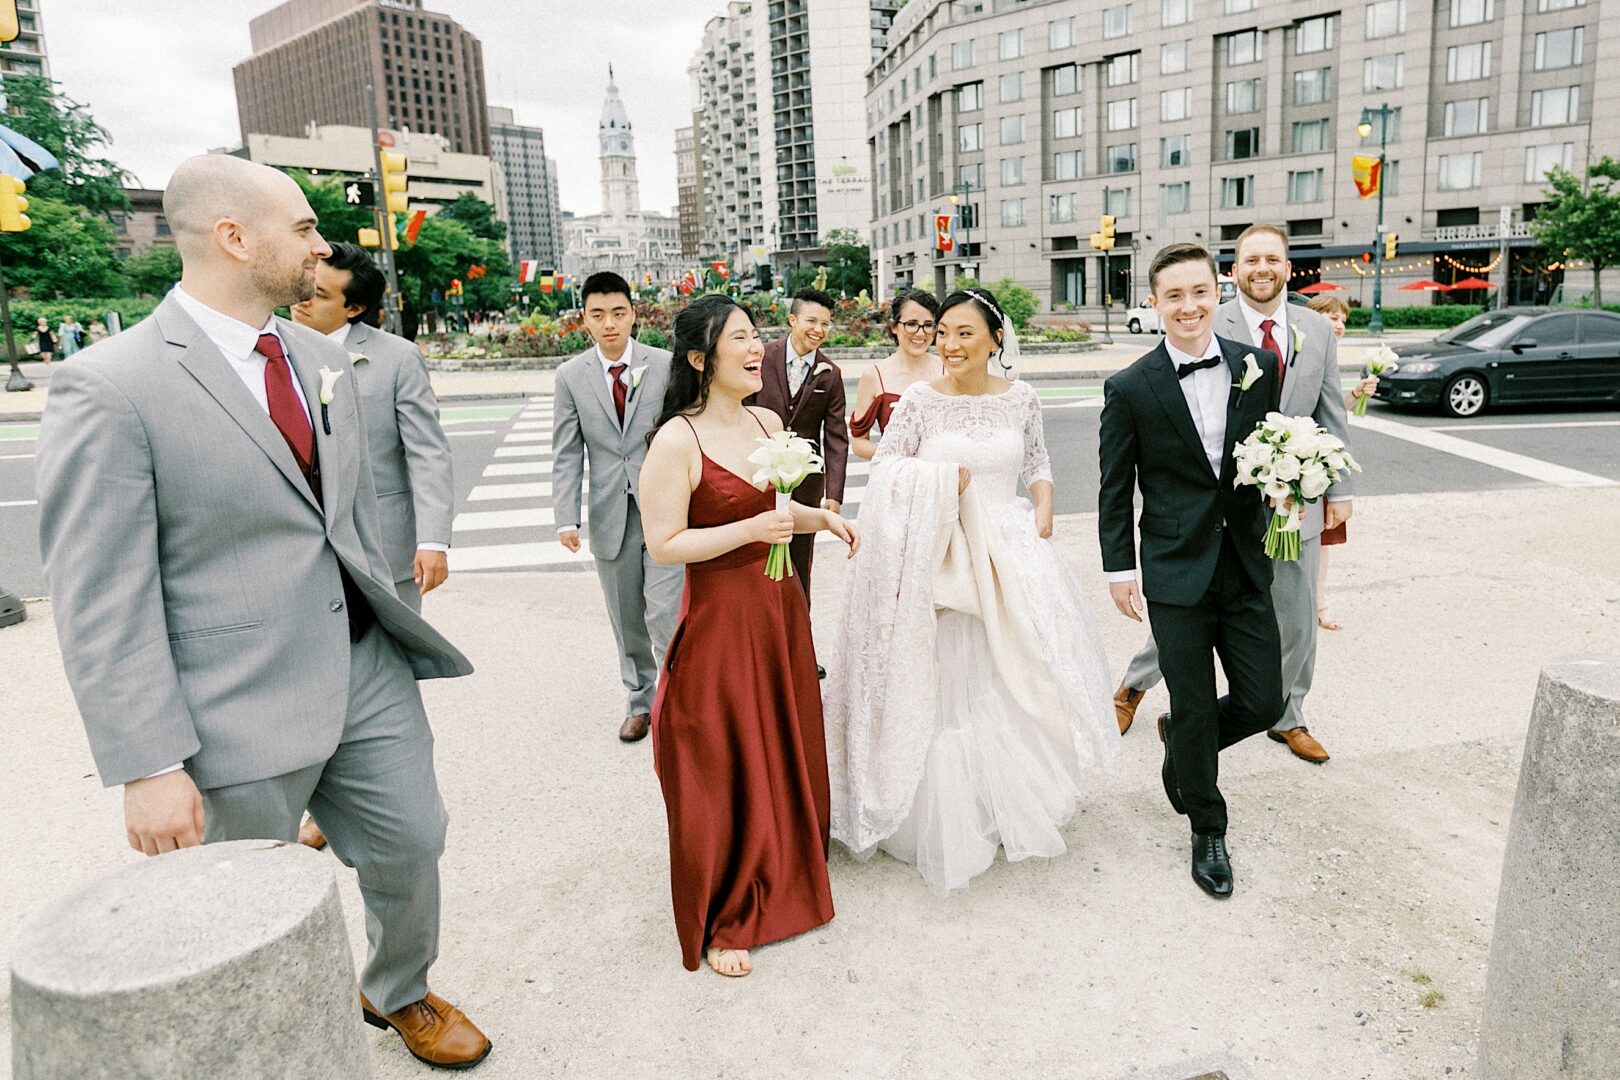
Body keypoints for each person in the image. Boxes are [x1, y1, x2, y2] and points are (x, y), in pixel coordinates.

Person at [34, 154, 491, 1069]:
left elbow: (345, 516)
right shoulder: (110, 384)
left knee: (414, 842)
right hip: (229, 705)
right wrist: (148, 760)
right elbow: (99, 593)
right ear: (235, 238)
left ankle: (395, 988)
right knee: (243, 903)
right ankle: (273, 1041)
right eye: (305, 229)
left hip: (366, 668)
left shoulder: (324, 358)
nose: (323, 247)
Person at [824, 287, 1117, 896]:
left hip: (1009, 550)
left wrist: (1043, 503)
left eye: (963, 333)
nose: (948, 345)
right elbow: (885, 470)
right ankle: (938, 809)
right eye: (943, 333)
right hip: (943, 554)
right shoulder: (920, 403)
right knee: (944, 678)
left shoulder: (1024, 399)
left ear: (995, 339)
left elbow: (1037, 462)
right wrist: (938, 480)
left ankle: (1007, 800)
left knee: (1012, 673)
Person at [639, 294, 858, 977]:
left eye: (756, 334)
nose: (757, 345)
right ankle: (728, 911)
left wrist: (822, 522)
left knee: (781, 737)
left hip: (777, 609)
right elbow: (664, 545)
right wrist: (750, 532)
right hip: (721, 622)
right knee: (725, 757)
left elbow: (779, 506)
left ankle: (786, 871)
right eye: (740, 337)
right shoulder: (677, 439)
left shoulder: (767, 419)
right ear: (702, 358)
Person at [1112, 225, 1356, 766]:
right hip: (1217, 511)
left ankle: (1288, 716)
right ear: (1233, 272)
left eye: (1273, 258)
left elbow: (1330, 410)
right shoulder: (1203, 317)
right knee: (1189, 613)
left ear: (1290, 267)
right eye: (1251, 259)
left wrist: (1338, 487)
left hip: (1295, 498)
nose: (1262, 267)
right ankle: (1135, 685)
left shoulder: (1316, 330)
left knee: (1293, 615)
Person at [1097, 243, 1285, 900]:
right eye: (1173, 296)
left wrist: (1287, 488)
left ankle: (1181, 742)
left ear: (1219, 292)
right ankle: (1208, 827)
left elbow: (1271, 451)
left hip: (1243, 560)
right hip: (1174, 571)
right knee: (1197, 701)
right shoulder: (1129, 387)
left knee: (1266, 701)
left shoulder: (1259, 367)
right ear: (1155, 304)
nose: (1188, 306)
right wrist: (1119, 569)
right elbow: (1114, 489)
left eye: (1199, 292)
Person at [552, 271, 683, 743]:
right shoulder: (570, 376)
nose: (610, 324)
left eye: (618, 313)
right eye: (598, 315)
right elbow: (567, 450)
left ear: (633, 313)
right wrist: (565, 516)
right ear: (583, 318)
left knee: (666, 611)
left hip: (666, 509)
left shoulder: (665, 365)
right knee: (626, 616)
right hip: (611, 513)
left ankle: (676, 700)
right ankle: (640, 702)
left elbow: (685, 430)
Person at [292, 242, 452, 617]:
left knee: (393, 663)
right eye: (306, 283)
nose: (302, 299)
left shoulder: (397, 358)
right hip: (302, 548)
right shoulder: (272, 349)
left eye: (319, 294)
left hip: (382, 544)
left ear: (354, 308)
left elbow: (427, 452)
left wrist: (432, 540)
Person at [745, 287, 849, 625]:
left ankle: (799, 649)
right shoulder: (763, 357)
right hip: (758, 479)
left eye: (826, 324)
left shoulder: (830, 374)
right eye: (812, 321)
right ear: (792, 320)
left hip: (804, 486)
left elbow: (836, 437)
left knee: (800, 566)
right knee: (756, 563)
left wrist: (833, 496)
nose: (819, 330)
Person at [1305, 294, 1378, 632]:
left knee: (1322, 542)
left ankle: (1319, 606)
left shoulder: (1328, 356)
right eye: (1331, 317)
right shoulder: (1303, 352)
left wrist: (1357, 394)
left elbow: (1333, 411)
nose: (1339, 325)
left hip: (1324, 465)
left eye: (1343, 320)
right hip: (1300, 460)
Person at [849, 289, 942, 460]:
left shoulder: (949, 370)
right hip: (897, 477)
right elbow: (859, 443)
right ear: (894, 327)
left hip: (943, 476)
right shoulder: (874, 375)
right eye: (912, 324)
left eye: (928, 325)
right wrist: (899, 457)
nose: (921, 333)